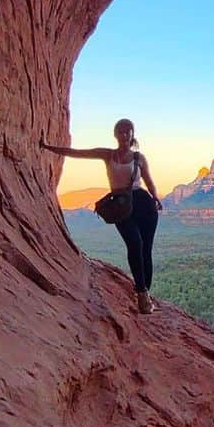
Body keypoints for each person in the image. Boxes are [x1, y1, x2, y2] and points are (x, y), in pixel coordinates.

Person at [43, 119, 162, 314]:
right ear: (115, 135)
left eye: (128, 132)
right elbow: (79, 153)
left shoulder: (139, 157)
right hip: (120, 205)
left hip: (143, 204)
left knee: (146, 249)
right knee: (134, 244)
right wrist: (49, 147)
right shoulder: (108, 155)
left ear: (132, 134)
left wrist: (156, 198)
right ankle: (141, 293)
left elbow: (148, 180)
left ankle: (145, 293)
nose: (124, 135)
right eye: (121, 132)